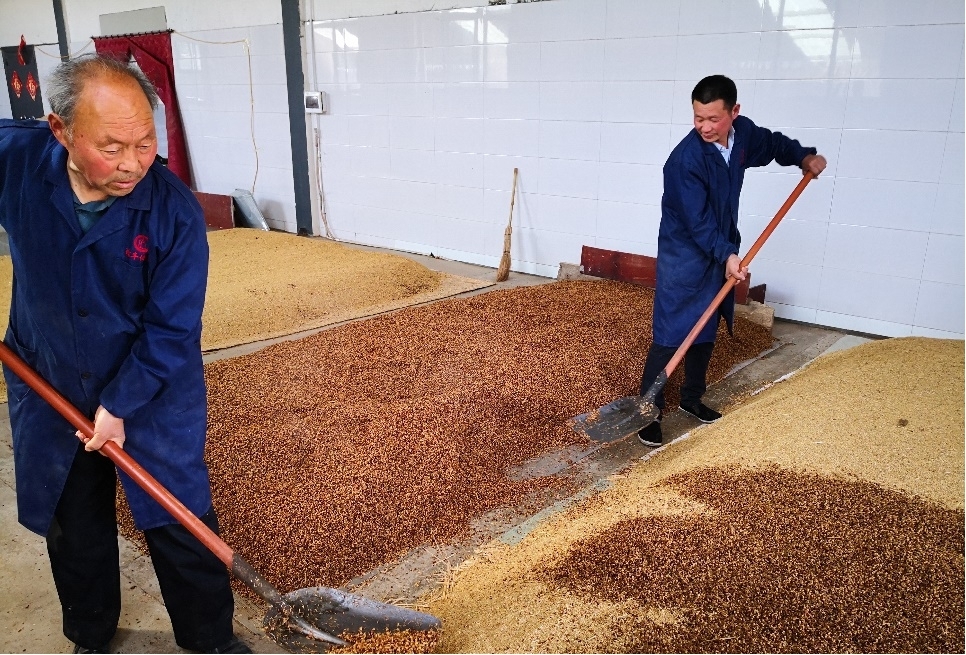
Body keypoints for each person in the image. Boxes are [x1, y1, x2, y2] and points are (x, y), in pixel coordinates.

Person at [0, 54, 250, 654]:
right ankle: (90, 632)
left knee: (179, 522)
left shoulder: (174, 213)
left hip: (152, 390)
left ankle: (209, 640)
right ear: (60, 131)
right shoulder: (17, 160)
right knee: (74, 522)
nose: (134, 162)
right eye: (112, 147)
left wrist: (118, 405)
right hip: (47, 373)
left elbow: (171, 331)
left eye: (145, 142)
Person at [638, 74, 826, 447]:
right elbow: (697, 221)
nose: (705, 127)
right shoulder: (684, 161)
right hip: (686, 253)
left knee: (706, 327)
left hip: (721, 247)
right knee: (671, 331)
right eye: (697, 118)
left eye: (713, 119)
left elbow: (772, 144)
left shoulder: (743, 137)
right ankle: (648, 411)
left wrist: (802, 156)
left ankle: (691, 399)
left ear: (734, 112)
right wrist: (727, 254)